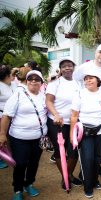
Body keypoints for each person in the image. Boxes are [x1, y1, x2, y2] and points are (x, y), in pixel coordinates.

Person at [0, 70, 47, 200]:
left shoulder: (44, 96)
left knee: (34, 163)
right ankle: (18, 189)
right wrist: (2, 134)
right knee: (20, 163)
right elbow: (6, 116)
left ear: (41, 82)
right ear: (26, 81)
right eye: (30, 79)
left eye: (37, 79)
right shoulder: (18, 95)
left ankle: (29, 183)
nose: (33, 81)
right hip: (19, 137)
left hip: (39, 137)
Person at [70, 67, 101, 198]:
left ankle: (95, 180)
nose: (88, 80)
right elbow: (74, 116)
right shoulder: (79, 94)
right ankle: (87, 185)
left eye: (91, 78)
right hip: (85, 133)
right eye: (86, 79)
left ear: (98, 80)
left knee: (97, 158)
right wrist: (72, 134)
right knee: (87, 158)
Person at [45, 59, 82, 190]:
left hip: (73, 123)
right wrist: (55, 114)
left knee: (73, 152)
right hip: (57, 123)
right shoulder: (55, 83)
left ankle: (68, 175)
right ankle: (65, 178)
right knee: (60, 152)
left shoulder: (78, 84)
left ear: (73, 68)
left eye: (70, 66)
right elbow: (48, 101)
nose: (67, 68)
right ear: (60, 69)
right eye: (64, 66)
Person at [0, 64, 16, 169]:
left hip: (13, 116)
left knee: (11, 137)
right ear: (6, 75)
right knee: (2, 137)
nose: (13, 75)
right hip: (1, 115)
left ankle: (10, 156)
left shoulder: (14, 84)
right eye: (10, 73)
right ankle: (1, 158)